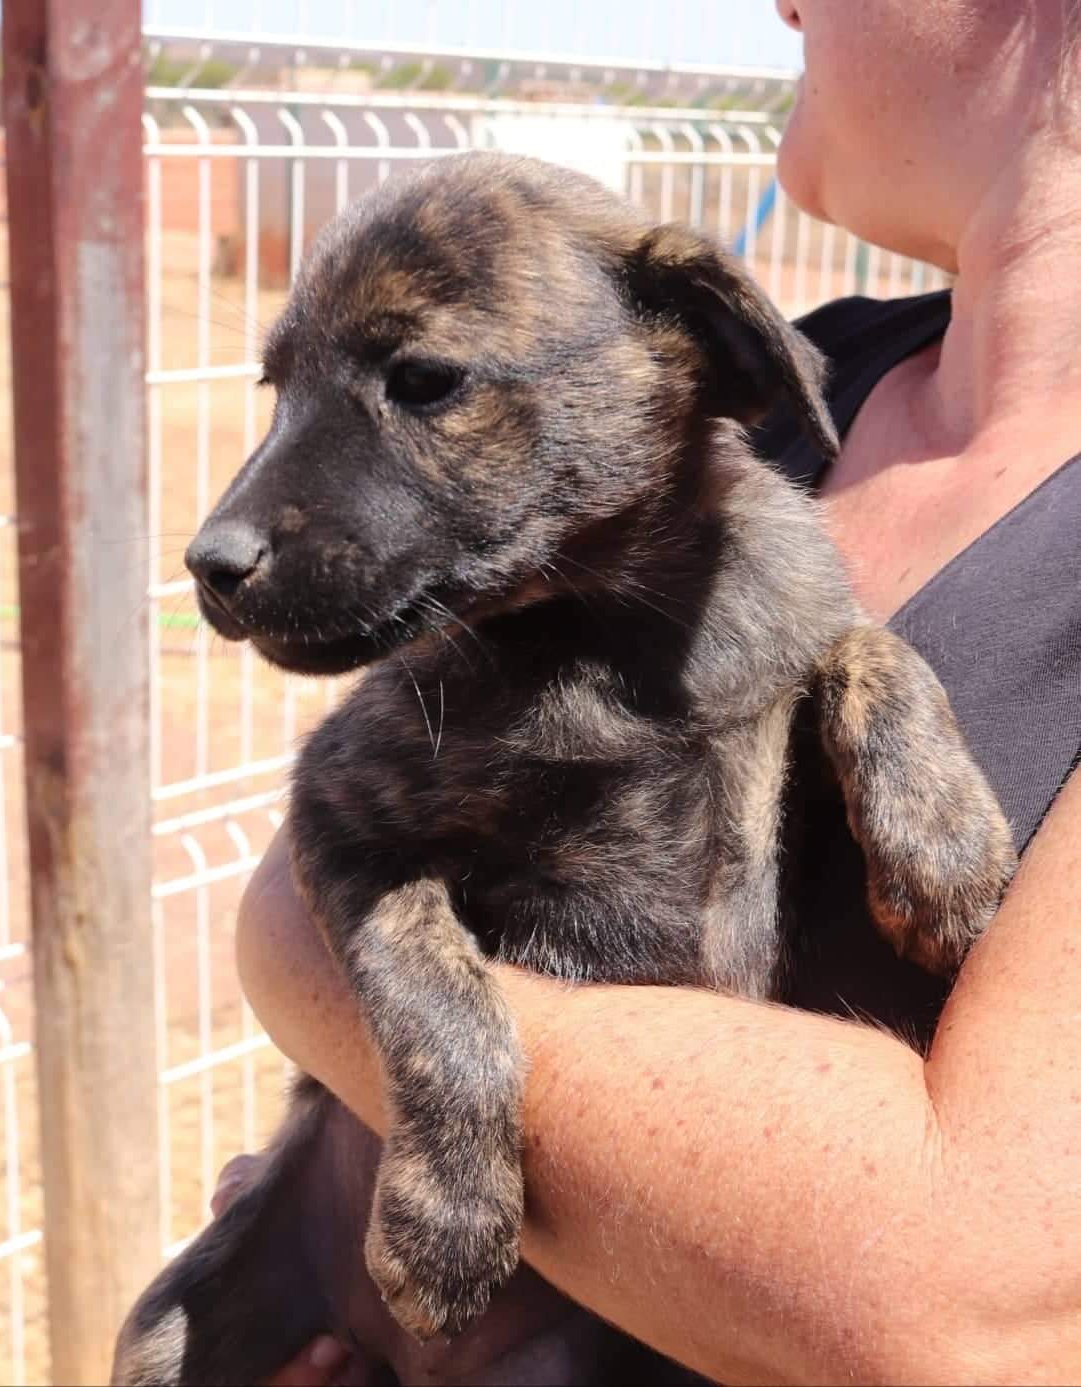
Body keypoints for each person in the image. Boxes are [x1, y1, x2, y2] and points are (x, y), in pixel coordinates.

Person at [218, 1, 1081, 1380]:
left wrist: (375, 1026)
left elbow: (967, 1306)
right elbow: (324, 857)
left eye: (424, 381)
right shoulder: (772, 400)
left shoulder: (673, 374)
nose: (779, 7)